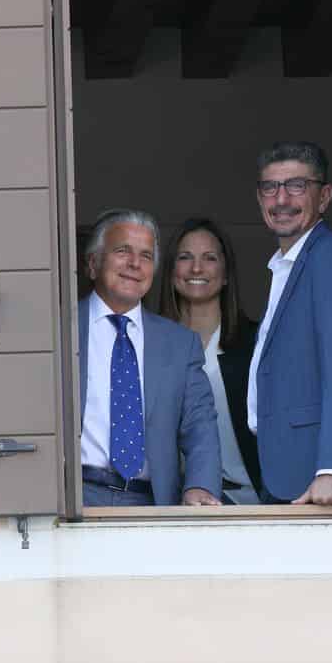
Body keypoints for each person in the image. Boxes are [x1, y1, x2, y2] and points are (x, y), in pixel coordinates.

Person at [77, 209, 222, 508]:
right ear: (93, 264)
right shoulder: (58, 330)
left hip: (151, 503)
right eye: (122, 251)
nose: (135, 263)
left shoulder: (180, 343)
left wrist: (200, 486)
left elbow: (200, 425)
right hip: (75, 499)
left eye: (146, 256)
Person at [246, 142, 332, 504]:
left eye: (297, 186)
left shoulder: (330, 258)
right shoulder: (286, 265)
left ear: (324, 197)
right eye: (270, 187)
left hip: (315, 475)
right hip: (284, 467)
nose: (281, 199)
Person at [155, 217, 265, 505]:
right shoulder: (149, 346)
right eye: (184, 257)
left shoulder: (256, 344)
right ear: (170, 271)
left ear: (226, 274)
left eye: (210, 258)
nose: (196, 268)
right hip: (175, 503)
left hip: (251, 501)